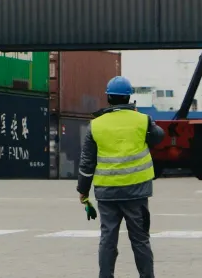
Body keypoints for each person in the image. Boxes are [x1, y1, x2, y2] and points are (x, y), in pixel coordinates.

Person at [77, 76, 165, 278]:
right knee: (140, 239)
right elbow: (159, 136)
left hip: (107, 194)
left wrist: (83, 191)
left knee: (107, 239)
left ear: (108, 97)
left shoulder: (96, 125)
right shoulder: (142, 120)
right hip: (137, 193)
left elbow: (86, 162)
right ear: (129, 98)